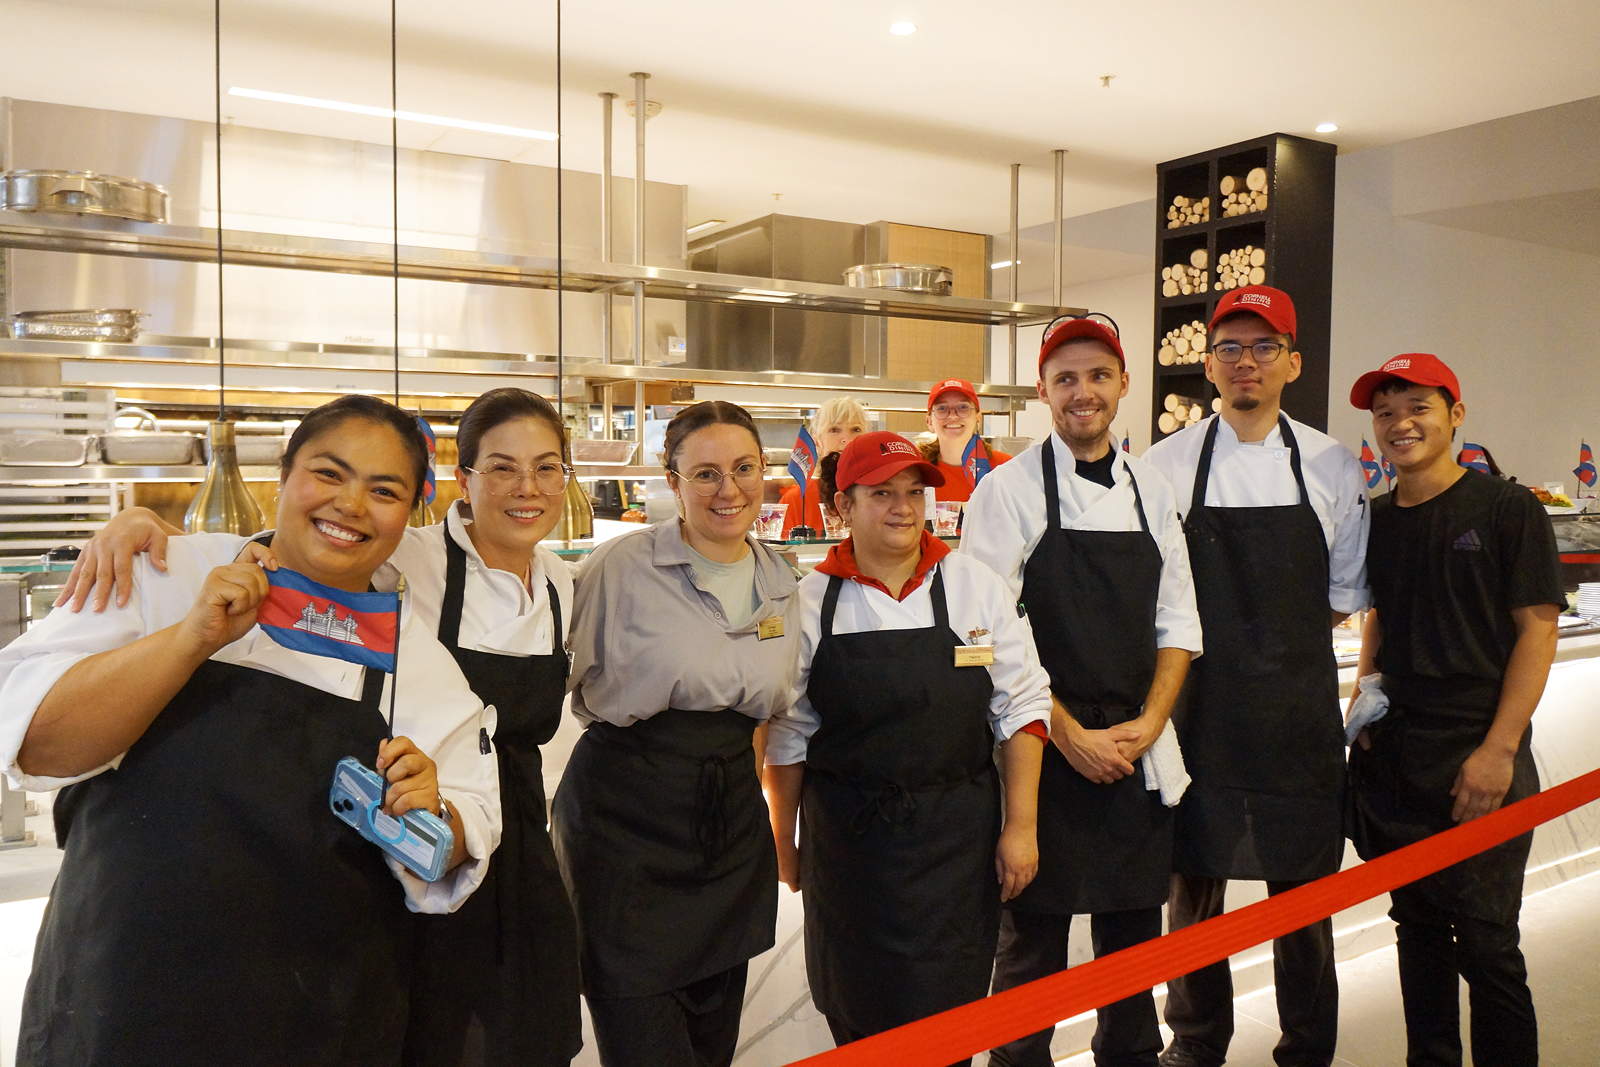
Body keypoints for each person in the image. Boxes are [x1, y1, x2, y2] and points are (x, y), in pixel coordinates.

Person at [56, 387, 585, 1065]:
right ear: (462, 482)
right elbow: (45, 743)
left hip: (369, 930)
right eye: (330, 474)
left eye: (548, 467)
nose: (353, 506)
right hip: (128, 977)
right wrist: (146, 535)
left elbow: (457, 826)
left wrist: (434, 816)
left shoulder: (551, 591)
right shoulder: (399, 562)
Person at [763, 431, 1049, 1059]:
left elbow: (1023, 708)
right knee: (856, 1011)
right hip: (850, 844)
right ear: (843, 506)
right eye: (882, 493)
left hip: (955, 839)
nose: (903, 507)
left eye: (914, 492)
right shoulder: (809, 602)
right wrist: (784, 843)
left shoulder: (974, 586)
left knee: (950, 1017)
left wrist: (1020, 826)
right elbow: (787, 733)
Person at [964, 317, 1202, 1067]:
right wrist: (1066, 733)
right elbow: (982, 639)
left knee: (1133, 957)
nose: (1083, 392)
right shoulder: (1004, 493)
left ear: (1124, 384)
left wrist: (1149, 721)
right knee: (1029, 954)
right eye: (1065, 378)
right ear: (1042, 391)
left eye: (1098, 375)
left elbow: (1178, 621)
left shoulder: (1153, 491)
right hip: (1040, 756)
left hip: (1134, 753)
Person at [1142, 286, 1370, 1067]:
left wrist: (1272, 651)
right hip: (1199, 715)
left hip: (1295, 715)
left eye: (1265, 347)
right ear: (1207, 365)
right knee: (1192, 893)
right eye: (1231, 349)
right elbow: (1157, 597)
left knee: (1304, 898)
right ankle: (1196, 1043)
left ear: (1292, 363)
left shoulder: (1333, 464)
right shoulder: (1163, 465)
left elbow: (1343, 597)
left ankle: (1307, 1046)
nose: (1247, 363)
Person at [552, 400, 799, 1067]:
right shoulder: (620, 568)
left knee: (712, 1044)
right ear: (673, 481)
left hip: (728, 830)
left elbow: (770, 709)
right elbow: (566, 678)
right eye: (707, 473)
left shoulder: (782, 577)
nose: (730, 489)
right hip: (624, 828)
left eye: (744, 468)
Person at [1347, 353, 1561, 1067]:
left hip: (1480, 747)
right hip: (1397, 755)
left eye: (1417, 406)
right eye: (1385, 411)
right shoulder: (1374, 520)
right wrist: (1362, 703)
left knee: (1491, 940)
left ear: (1455, 414)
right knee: (1417, 928)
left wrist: (1499, 749)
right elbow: (1377, 613)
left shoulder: (1507, 507)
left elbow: (1537, 627)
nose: (1400, 423)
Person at [781, 396, 870, 537]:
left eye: (856, 429)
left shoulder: (881, 493)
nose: (846, 439)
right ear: (817, 441)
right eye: (834, 430)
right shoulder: (797, 499)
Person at [922, 377, 1013, 503]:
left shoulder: (1004, 467)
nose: (953, 416)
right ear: (929, 421)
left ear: (978, 418)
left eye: (963, 407)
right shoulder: (916, 468)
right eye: (942, 408)